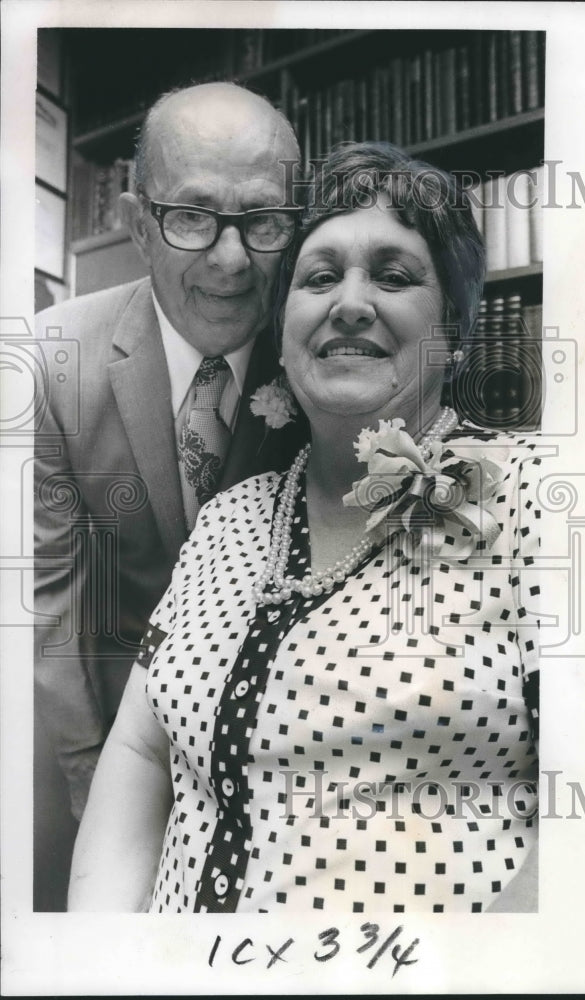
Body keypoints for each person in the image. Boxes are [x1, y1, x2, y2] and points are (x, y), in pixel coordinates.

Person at [69, 141, 541, 913]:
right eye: (320, 278)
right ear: (284, 339)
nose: (350, 303)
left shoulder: (534, 501)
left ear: (453, 327)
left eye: (393, 275)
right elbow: (142, 750)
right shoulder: (228, 518)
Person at [33, 82, 305, 906]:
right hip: (109, 727)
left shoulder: (327, 344)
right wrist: (98, 800)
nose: (231, 260)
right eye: (192, 217)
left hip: (288, 754)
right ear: (136, 223)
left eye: (262, 220)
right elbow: (49, 607)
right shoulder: (51, 362)